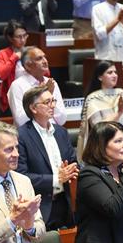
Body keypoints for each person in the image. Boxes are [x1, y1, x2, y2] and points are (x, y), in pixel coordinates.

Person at [16, 84, 79, 230]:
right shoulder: (22, 136)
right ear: (33, 108)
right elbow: (21, 176)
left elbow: (73, 161)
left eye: (53, 101)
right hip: (40, 207)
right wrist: (57, 179)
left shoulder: (61, 132)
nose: (52, 106)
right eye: (47, 102)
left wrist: (72, 169)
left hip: (66, 203)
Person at [76, 61, 123, 161]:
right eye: (110, 73)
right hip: (104, 151)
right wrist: (118, 113)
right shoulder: (93, 98)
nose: (114, 75)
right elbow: (98, 127)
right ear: (100, 77)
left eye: (115, 72)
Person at [9, 47, 68, 127]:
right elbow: (21, 120)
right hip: (29, 135)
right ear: (28, 65)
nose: (45, 61)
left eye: (45, 57)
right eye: (39, 59)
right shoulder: (18, 85)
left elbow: (62, 119)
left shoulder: (51, 83)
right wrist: (46, 94)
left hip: (52, 132)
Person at [0, 20, 28, 113]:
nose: (22, 40)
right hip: (12, 99)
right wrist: (14, 58)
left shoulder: (32, 52)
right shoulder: (3, 54)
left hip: (31, 97)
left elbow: (46, 74)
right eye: (18, 37)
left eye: (24, 35)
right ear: (10, 38)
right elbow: (1, 75)